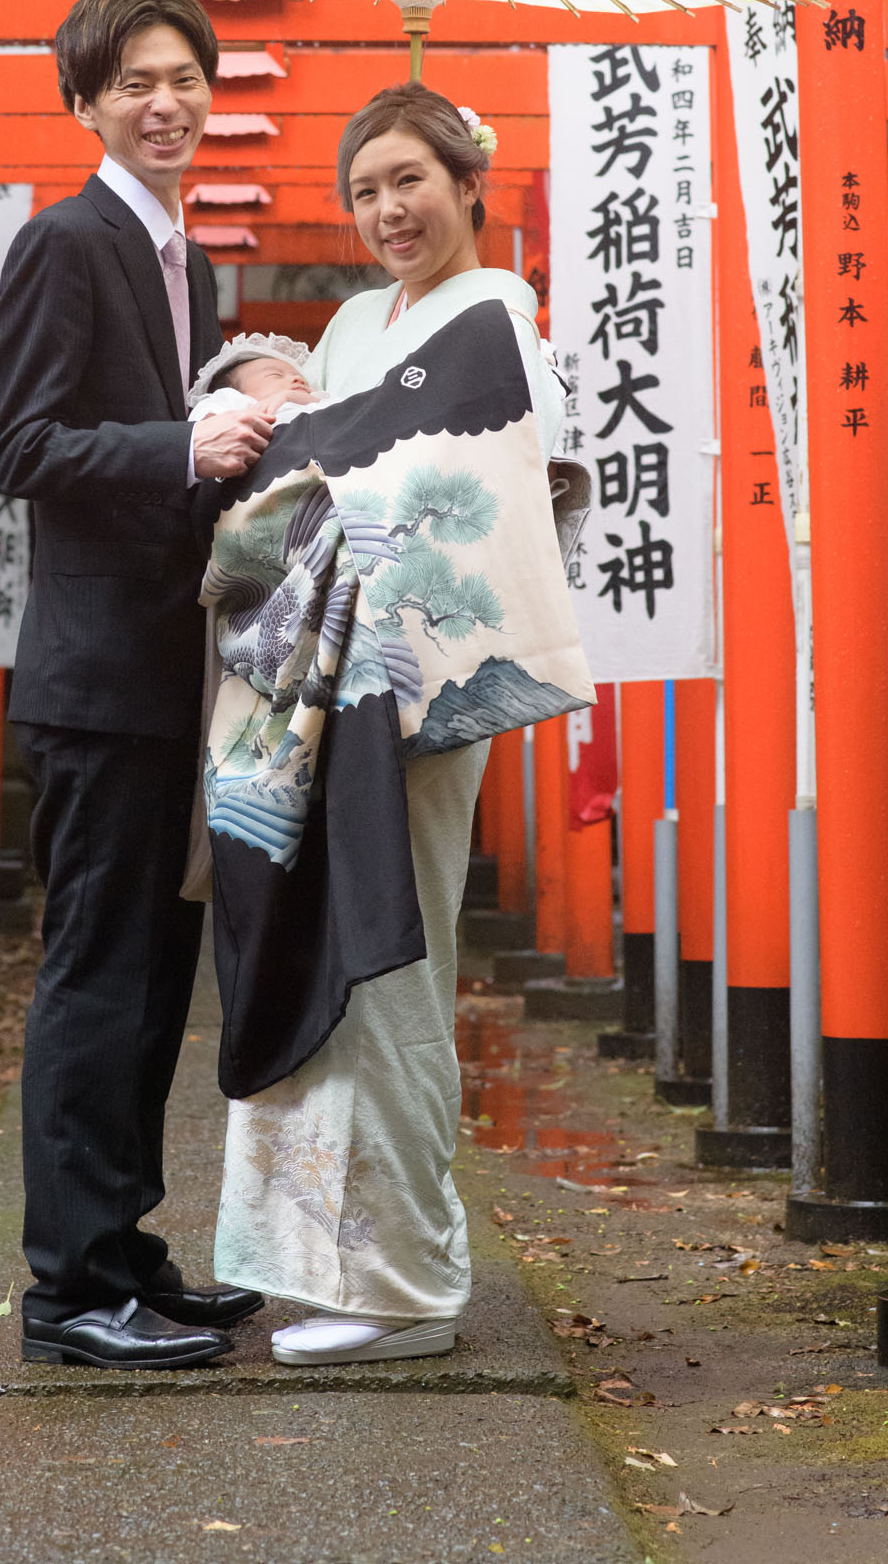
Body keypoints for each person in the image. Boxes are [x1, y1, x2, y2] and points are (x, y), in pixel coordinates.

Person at [212, 81, 574, 1367]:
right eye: (365, 189)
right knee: (309, 933)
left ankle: (409, 1280)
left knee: (392, 949)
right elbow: (305, 433)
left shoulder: (502, 318)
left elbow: (503, 485)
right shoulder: (363, 318)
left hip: (411, 681)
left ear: (471, 181)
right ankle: (316, 1258)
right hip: (311, 684)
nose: (387, 209)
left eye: (411, 178)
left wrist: (341, 463)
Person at [0, 0, 271, 1371]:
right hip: (95, 685)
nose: (168, 103)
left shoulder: (183, 261)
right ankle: (64, 1293)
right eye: (136, 82)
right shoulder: (66, 243)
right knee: (96, 979)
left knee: (159, 981)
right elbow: (20, 450)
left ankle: (125, 1251)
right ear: (84, 99)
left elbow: (183, 470)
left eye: (186, 79)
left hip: (173, 678)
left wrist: (262, 454)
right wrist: (181, 445)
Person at [187, 333, 327, 426]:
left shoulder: (315, 404)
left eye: (300, 376)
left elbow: (340, 410)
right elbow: (203, 426)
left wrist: (290, 396)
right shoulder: (236, 400)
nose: (297, 378)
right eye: (276, 375)